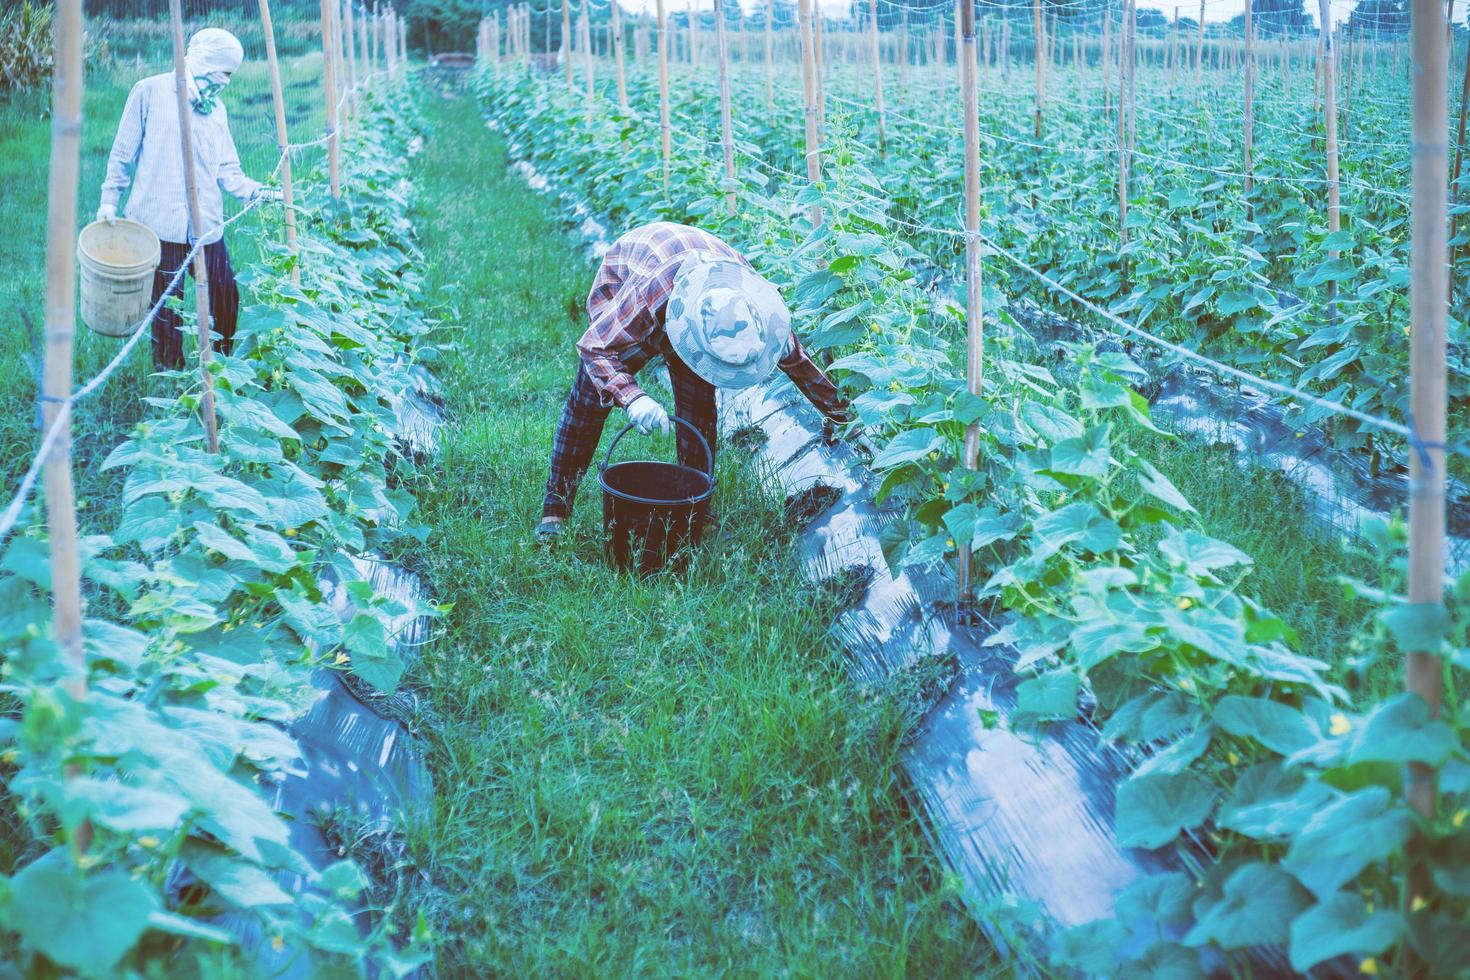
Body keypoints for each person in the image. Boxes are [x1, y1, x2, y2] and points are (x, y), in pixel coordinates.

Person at [536, 221, 851, 543]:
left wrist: (844, 416)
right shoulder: (652, 295)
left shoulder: (758, 313)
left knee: (698, 409)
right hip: (631, 274)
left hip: (701, 289)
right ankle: (556, 509)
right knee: (590, 397)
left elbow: (803, 367)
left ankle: (696, 511)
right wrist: (633, 397)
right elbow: (596, 347)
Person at [97, 28, 277, 370]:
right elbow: (123, 153)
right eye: (225, 72)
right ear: (208, 61)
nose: (227, 80)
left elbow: (228, 169)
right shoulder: (149, 91)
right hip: (158, 225)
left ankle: (223, 369)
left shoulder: (217, 110)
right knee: (167, 310)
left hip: (206, 226)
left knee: (225, 295)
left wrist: (255, 191)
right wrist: (109, 199)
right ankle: (171, 382)